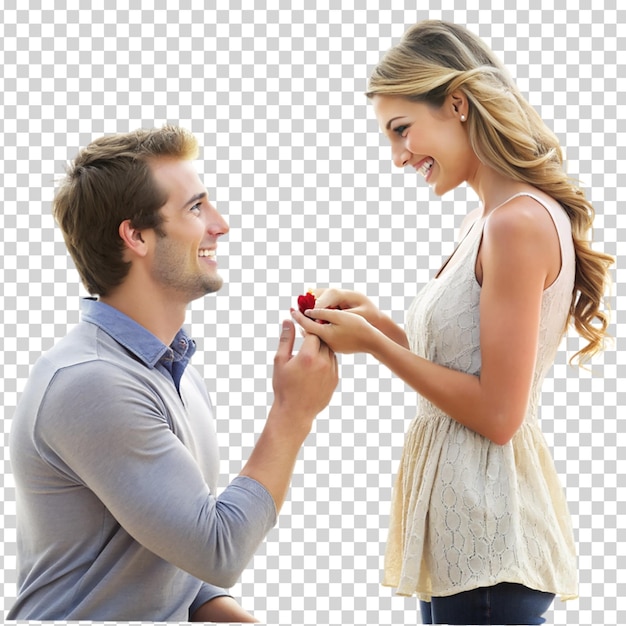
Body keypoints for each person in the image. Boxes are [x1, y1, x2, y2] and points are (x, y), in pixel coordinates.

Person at [291, 20, 613, 626]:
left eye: (402, 129)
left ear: (458, 104)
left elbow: (497, 413)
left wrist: (379, 350)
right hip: (468, 540)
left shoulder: (514, 224)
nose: (398, 156)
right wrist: (379, 326)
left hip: (490, 541)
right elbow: (468, 365)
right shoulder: (488, 219)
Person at [8, 126, 338, 622]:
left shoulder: (166, 370)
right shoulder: (93, 382)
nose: (220, 226)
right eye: (196, 208)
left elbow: (175, 559)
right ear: (135, 236)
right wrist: (293, 412)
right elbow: (215, 549)